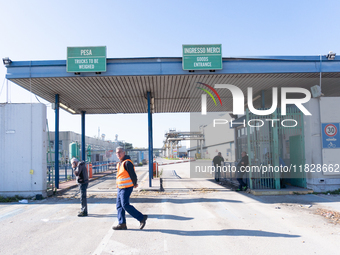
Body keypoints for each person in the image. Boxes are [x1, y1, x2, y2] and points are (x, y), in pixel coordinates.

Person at [112, 147, 148, 230]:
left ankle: (141, 218)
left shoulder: (127, 163)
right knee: (119, 206)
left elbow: (133, 174)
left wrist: (135, 183)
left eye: (120, 152)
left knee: (125, 205)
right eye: (117, 152)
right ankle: (122, 224)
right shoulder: (119, 163)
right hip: (120, 188)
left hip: (127, 187)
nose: (118, 154)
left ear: (124, 152)